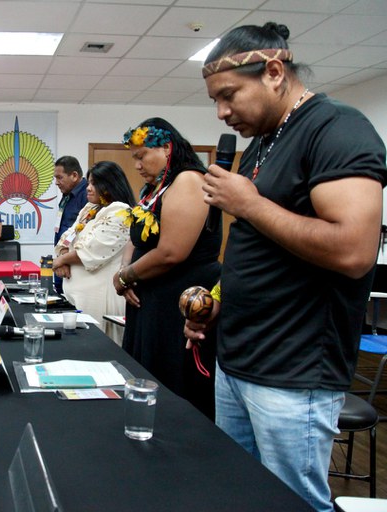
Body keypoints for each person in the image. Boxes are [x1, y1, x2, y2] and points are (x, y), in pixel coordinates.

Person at [184, 22, 387, 512]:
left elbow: (355, 250)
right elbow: (259, 247)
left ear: (274, 72)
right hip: (238, 359)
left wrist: (248, 205)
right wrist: (217, 305)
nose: (222, 111)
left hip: (293, 371)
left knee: (289, 503)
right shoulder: (265, 141)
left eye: (229, 95)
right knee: (239, 493)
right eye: (215, 99)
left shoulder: (336, 128)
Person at [114, 118, 221, 419]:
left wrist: (124, 276)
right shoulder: (155, 189)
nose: (136, 165)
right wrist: (125, 270)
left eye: (141, 155)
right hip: (151, 298)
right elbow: (136, 239)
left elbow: (172, 252)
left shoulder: (188, 180)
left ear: (166, 147)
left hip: (179, 300)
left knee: (174, 386)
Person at [53, 161, 134, 344]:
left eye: (94, 184)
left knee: (98, 349)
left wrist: (61, 260)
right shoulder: (90, 208)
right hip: (76, 296)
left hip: (100, 298)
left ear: (110, 185)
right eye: (88, 183)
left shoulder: (121, 212)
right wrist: (63, 258)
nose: (88, 188)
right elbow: (66, 237)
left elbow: (91, 251)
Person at [53, 156, 88, 294]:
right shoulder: (67, 194)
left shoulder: (86, 196)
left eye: (59, 177)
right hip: (62, 258)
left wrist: (65, 260)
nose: (56, 182)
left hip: (73, 265)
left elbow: (84, 236)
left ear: (74, 175)